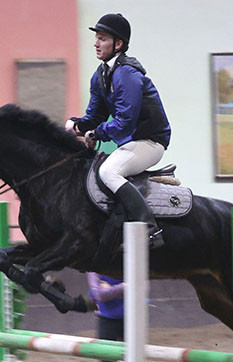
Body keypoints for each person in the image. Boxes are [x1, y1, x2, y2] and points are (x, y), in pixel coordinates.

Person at [65, 13, 171, 248]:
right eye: (96, 38)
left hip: (150, 142)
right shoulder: (101, 75)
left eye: (102, 38)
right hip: (132, 143)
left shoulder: (127, 74)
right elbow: (95, 117)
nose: (95, 43)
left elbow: (124, 121)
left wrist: (96, 134)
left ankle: (149, 228)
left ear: (118, 44)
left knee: (108, 172)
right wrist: (78, 125)